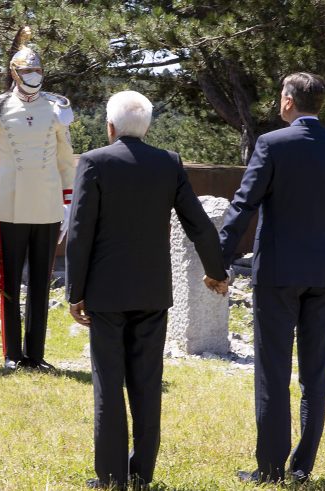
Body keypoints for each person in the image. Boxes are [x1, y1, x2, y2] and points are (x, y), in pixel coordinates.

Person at [66, 90, 228, 489]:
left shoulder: (94, 162)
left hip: (105, 292)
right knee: (146, 383)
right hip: (153, 292)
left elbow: (78, 233)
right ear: (148, 126)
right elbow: (199, 223)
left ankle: (110, 477)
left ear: (110, 127)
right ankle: (142, 472)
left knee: (109, 383)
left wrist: (75, 291)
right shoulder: (168, 163)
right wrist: (216, 271)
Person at [215, 72, 325, 484]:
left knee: (273, 370)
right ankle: (303, 467)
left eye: (281, 96)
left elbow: (244, 204)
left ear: (289, 101)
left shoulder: (271, 144)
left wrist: (218, 260)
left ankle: (272, 468)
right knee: (316, 373)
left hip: (278, 273)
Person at [0, 27, 75, 371]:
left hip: (49, 204)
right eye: (26, 71)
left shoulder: (56, 107)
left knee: (40, 282)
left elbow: (66, 158)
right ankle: (11, 353)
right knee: (8, 282)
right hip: (10, 204)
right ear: (13, 74)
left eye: (37, 71)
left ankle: (36, 354)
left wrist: (69, 200)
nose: (33, 77)